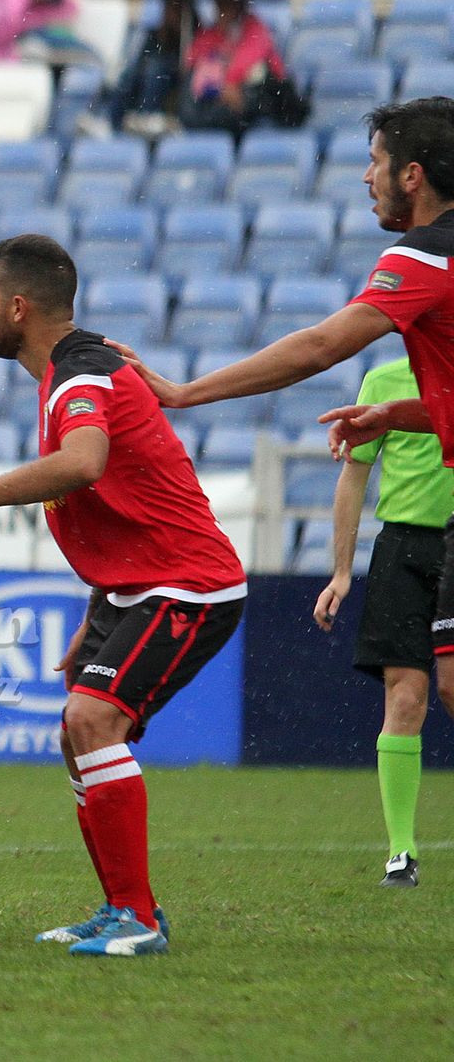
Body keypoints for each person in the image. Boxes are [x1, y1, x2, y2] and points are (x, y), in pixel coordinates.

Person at [0, 234, 247, 957]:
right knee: (75, 731)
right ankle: (121, 906)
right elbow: (116, 498)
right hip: (135, 586)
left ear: (18, 307)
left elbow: (84, 464)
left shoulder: (79, 373)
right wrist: (98, 609)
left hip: (186, 584)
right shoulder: (70, 369)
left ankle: (137, 918)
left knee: (92, 720)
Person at [124, 98, 454, 761]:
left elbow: (319, 346)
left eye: (376, 162)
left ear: (412, 175)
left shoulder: (426, 256)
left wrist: (187, 392)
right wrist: (397, 415)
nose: (367, 177)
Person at [313, 358, 454, 888]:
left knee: (451, 689)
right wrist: (341, 572)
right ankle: (402, 852)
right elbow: (354, 477)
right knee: (406, 695)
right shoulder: (384, 380)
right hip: (403, 550)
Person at [180, 0, 289, 135]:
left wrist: (229, 81)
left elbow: (252, 53)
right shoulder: (212, 32)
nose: (223, 9)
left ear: (240, 5)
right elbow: (193, 57)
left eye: (228, 5)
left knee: (252, 85)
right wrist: (219, 85)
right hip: (220, 99)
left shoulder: (254, 27)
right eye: (220, 4)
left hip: (262, 97)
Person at [110, 0, 198, 137]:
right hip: (149, 74)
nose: (169, 12)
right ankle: (113, 122)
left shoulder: (191, 30)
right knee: (128, 73)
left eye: (174, 8)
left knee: (156, 69)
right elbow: (142, 58)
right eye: (168, 8)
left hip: (174, 76)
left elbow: (186, 61)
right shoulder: (156, 33)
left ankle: (147, 115)